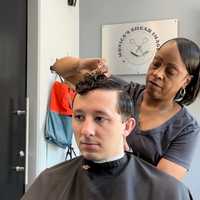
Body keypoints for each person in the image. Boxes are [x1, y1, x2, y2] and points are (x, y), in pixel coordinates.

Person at [21, 73, 192, 200]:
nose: (86, 130)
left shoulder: (167, 192)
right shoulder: (49, 181)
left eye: (100, 118)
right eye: (79, 117)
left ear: (127, 126)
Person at [50, 37, 200, 180]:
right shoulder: (119, 92)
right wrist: (81, 65)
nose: (157, 74)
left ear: (186, 81)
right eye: (156, 64)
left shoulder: (186, 128)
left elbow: (162, 186)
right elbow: (58, 68)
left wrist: (125, 159)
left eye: (170, 72)